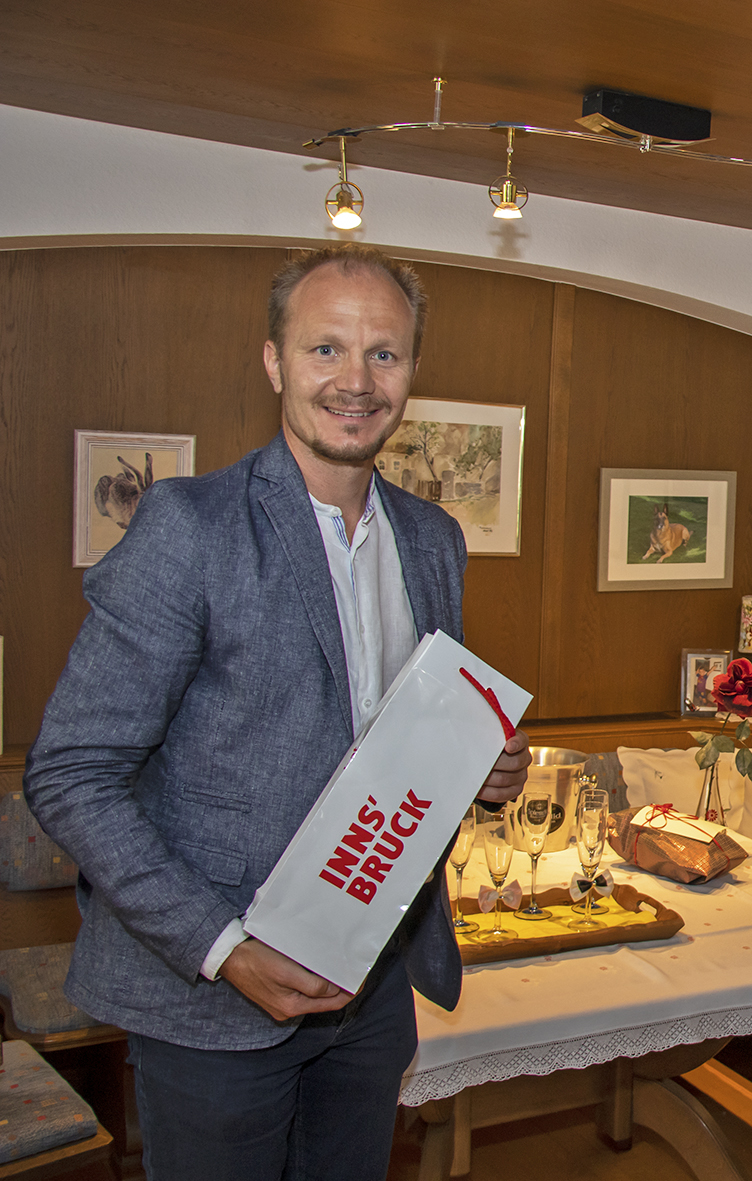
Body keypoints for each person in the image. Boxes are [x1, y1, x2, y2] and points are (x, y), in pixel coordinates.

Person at [24, 244, 532, 1181]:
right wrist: (226, 950)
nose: (356, 380)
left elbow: (407, 746)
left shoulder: (433, 540)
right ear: (275, 362)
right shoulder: (189, 527)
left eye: (384, 353)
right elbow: (68, 772)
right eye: (325, 349)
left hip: (374, 989)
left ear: (412, 371)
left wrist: (490, 771)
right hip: (214, 1000)